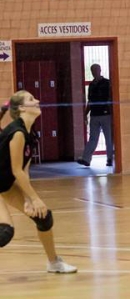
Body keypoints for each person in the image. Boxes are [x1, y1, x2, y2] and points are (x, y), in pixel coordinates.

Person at [0, 91, 77, 273]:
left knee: (43, 217)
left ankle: (54, 262)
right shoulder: (17, 133)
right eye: (31, 99)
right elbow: (16, 170)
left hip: (5, 184)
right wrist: (35, 199)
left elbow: (24, 170)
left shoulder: (30, 134)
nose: (38, 101)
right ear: (22, 108)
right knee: (5, 232)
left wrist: (28, 198)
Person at [77, 64, 113, 168]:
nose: (94, 72)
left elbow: (111, 98)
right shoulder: (91, 85)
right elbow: (90, 101)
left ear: (100, 70)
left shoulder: (107, 83)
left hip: (106, 114)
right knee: (93, 138)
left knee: (108, 138)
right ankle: (86, 159)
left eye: (96, 69)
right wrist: (85, 114)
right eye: (92, 70)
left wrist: (112, 113)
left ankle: (109, 159)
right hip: (94, 115)